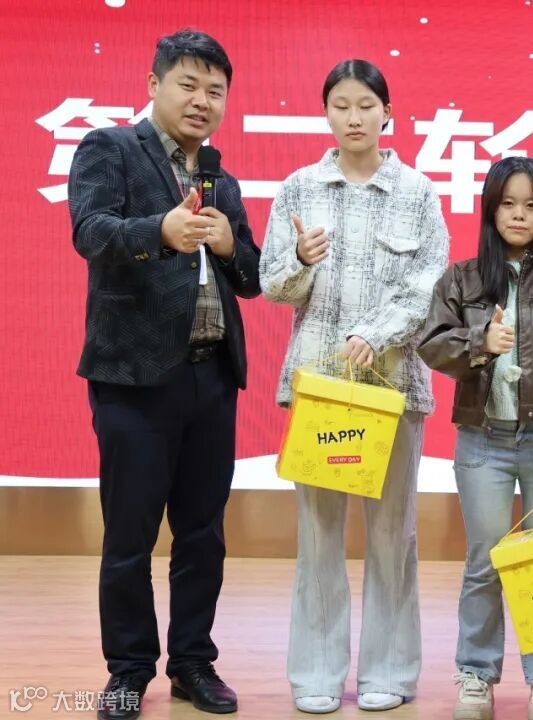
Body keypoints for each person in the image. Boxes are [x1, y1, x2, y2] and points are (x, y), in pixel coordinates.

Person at [68, 29, 260, 720]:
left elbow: (252, 279)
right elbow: (90, 231)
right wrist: (159, 231)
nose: (202, 101)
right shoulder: (110, 148)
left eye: (216, 91)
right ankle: (127, 671)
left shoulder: (221, 179)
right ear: (154, 85)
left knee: (203, 535)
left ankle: (192, 664)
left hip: (211, 378)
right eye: (189, 84)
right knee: (130, 536)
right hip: (134, 380)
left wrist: (232, 245)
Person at [260, 59, 449, 714]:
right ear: (327, 114)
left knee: (393, 534)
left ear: (387, 112)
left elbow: (430, 286)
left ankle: (389, 671)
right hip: (321, 386)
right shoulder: (298, 188)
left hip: (392, 386)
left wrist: (376, 332)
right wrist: (300, 260)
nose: (354, 117)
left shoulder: (417, 192)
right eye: (341, 105)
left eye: (366, 104)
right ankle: (316, 674)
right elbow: (273, 283)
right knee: (318, 534)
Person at [418, 156, 533, 720]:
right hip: (482, 442)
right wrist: (480, 342)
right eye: (509, 204)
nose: (519, 215)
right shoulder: (463, 278)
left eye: (531, 206)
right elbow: (431, 344)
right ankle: (475, 675)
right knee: (484, 564)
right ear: (492, 210)